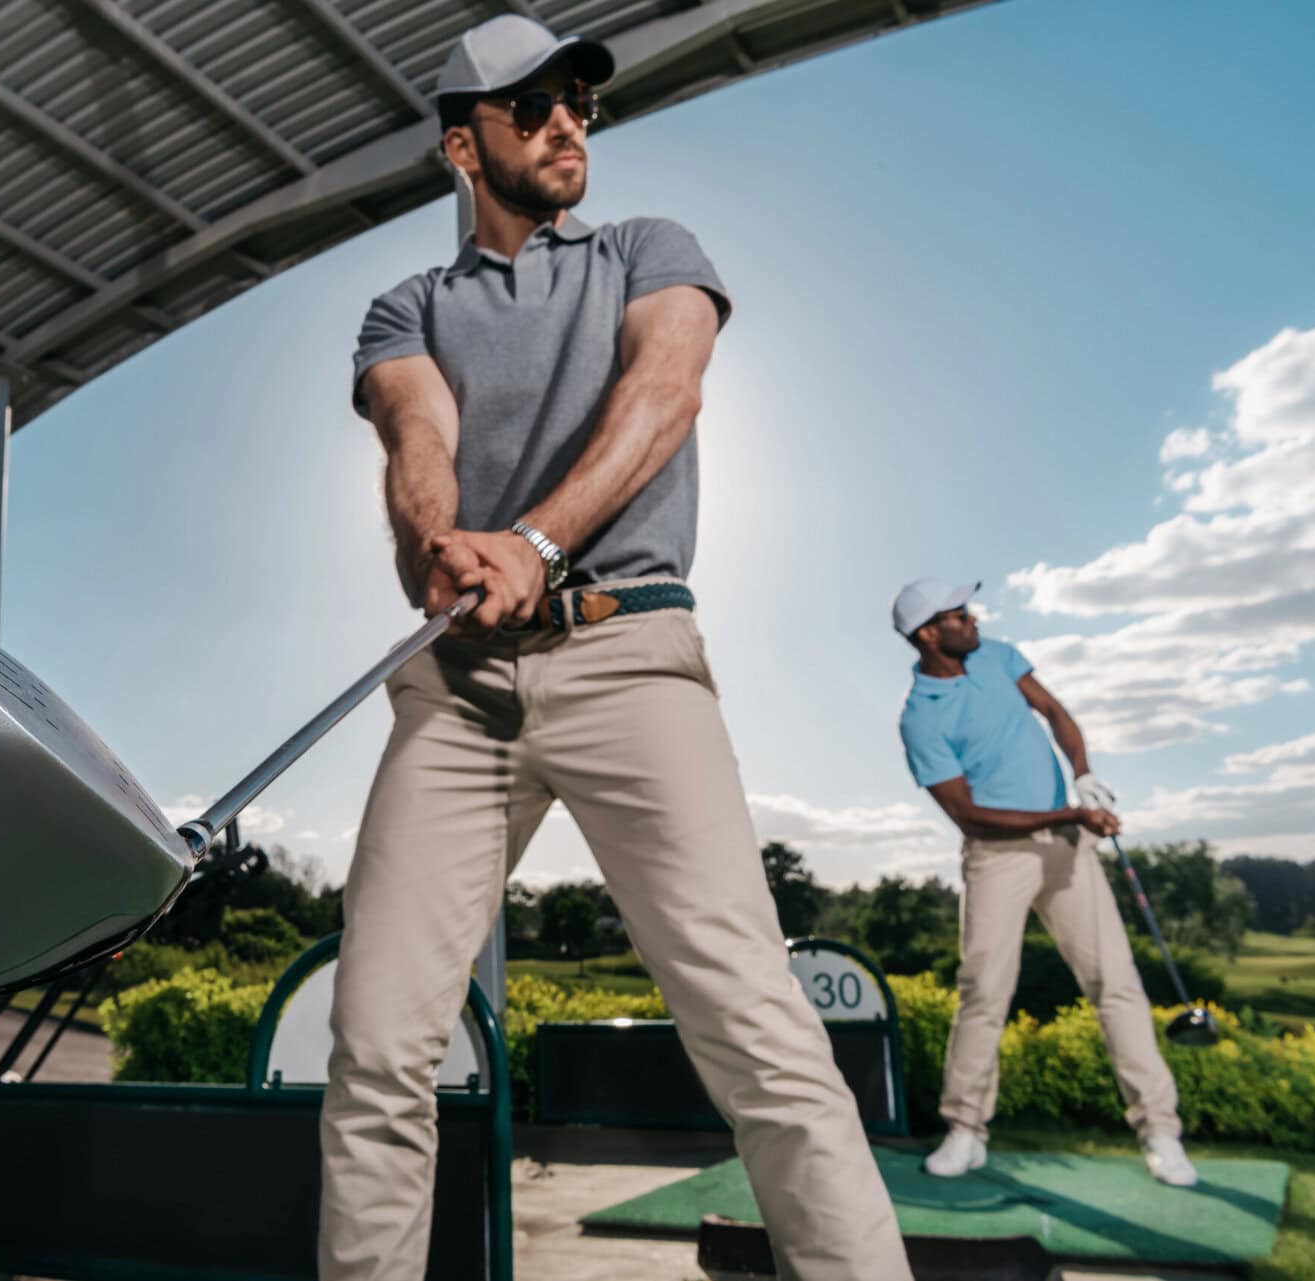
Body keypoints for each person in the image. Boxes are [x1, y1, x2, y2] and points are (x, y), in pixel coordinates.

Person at [319, 15, 913, 1281]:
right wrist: (446, 546)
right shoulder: (406, 306)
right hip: (460, 689)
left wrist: (531, 539)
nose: (568, 121)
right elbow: (415, 440)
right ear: (459, 147)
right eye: (530, 107)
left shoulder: (651, 250)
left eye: (578, 100)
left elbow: (666, 391)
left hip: (627, 656)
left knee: (757, 1029)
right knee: (374, 1050)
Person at [892, 577, 1198, 1187]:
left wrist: (1082, 776)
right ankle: (966, 1131)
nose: (973, 618)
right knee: (985, 992)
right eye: (959, 614)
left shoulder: (996, 655)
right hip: (997, 858)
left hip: (1067, 851)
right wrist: (1068, 812)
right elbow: (969, 813)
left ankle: (1161, 1131)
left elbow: (1055, 712)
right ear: (929, 634)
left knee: (1116, 984)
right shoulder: (920, 719)